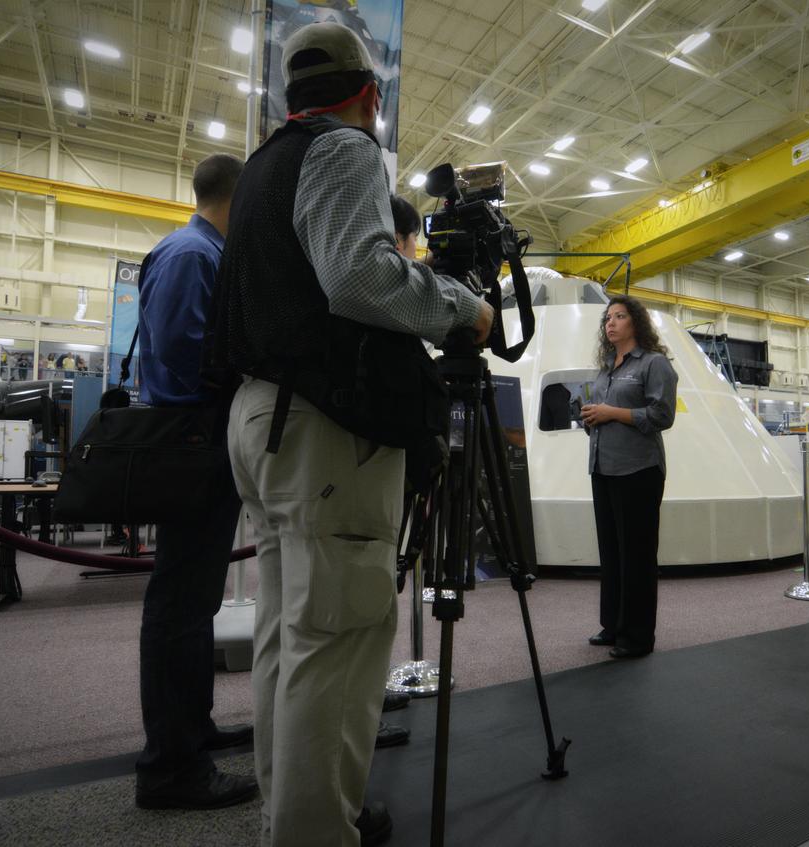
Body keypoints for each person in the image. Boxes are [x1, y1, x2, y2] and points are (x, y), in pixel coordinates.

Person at [206, 22, 493, 847]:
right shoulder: (346, 150)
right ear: (369, 96)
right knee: (333, 644)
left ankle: (294, 815)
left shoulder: (262, 165)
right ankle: (313, 831)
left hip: (267, 420)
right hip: (325, 431)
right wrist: (457, 305)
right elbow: (360, 275)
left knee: (290, 637)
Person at [132, 153, 258, 811]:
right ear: (238, 198)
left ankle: (193, 732)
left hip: (200, 445)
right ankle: (168, 767)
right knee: (180, 604)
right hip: (192, 445)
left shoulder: (197, 251)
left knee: (193, 601)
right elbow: (187, 360)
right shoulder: (191, 255)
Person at [583, 294, 678, 659]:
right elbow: (603, 415)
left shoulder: (654, 364)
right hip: (603, 467)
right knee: (611, 553)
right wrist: (590, 416)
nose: (611, 323)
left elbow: (662, 415)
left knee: (636, 555)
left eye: (619, 316)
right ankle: (613, 625)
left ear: (635, 323)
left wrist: (611, 412)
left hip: (638, 470)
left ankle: (637, 638)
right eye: (608, 318)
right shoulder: (605, 368)